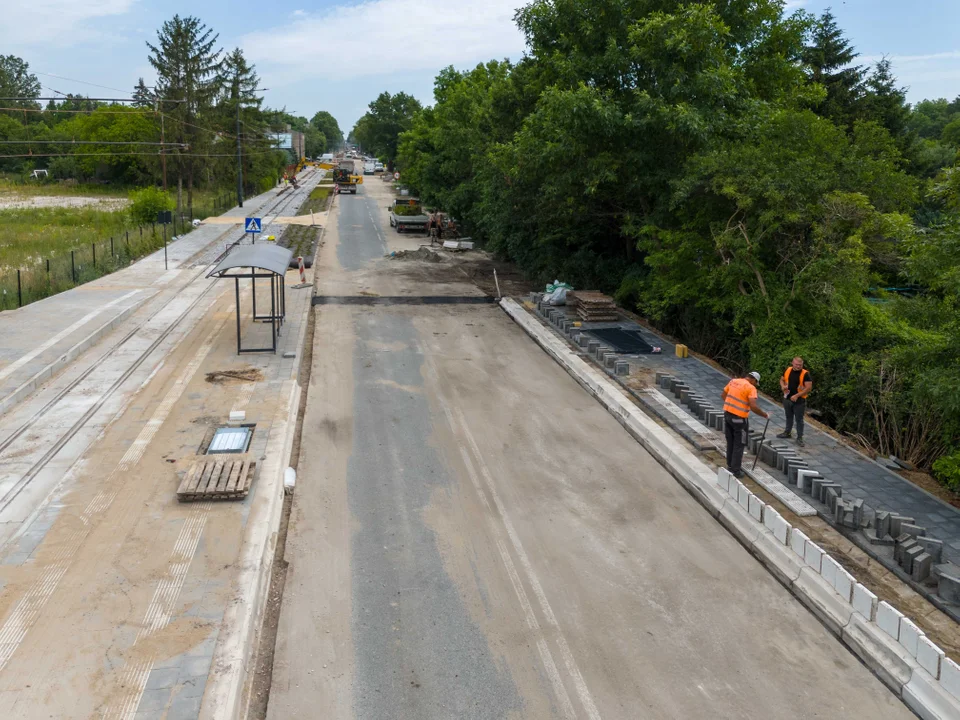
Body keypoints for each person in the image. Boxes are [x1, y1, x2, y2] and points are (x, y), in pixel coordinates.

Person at [721, 371, 770, 478]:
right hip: (739, 419)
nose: (755, 385)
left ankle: (730, 465)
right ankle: (735, 470)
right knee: (739, 444)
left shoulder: (734, 381)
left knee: (731, 442)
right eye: (755, 383)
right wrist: (764, 415)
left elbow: (723, 395)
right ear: (753, 380)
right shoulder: (751, 388)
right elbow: (753, 406)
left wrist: (732, 405)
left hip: (728, 415)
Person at [777, 357, 813, 447]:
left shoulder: (805, 374)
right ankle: (787, 432)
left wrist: (797, 395)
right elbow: (782, 379)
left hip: (799, 401)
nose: (798, 366)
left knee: (799, 419)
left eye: (800, 365)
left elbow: (808, 388)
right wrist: (782, 386)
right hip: (787, 398)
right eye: (796, 364)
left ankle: (799, 437)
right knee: (788, 416)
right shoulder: (788, 370)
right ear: (792, 363)